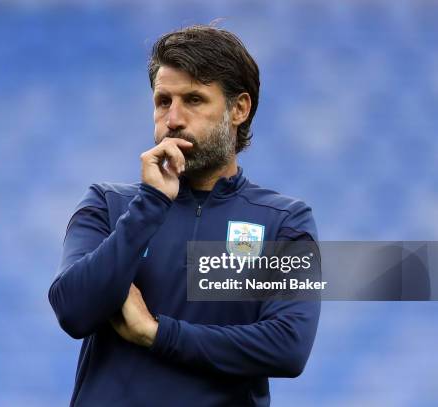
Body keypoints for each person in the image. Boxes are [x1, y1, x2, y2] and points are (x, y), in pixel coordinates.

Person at [48, 25, 320, 406]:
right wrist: (150, 203)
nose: (173, 119)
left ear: (239, 108)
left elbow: (289, 347)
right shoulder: (108, 205)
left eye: (193, 100)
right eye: (163, 101)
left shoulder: (284, 221)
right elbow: (73, 311)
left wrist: (159, 334)